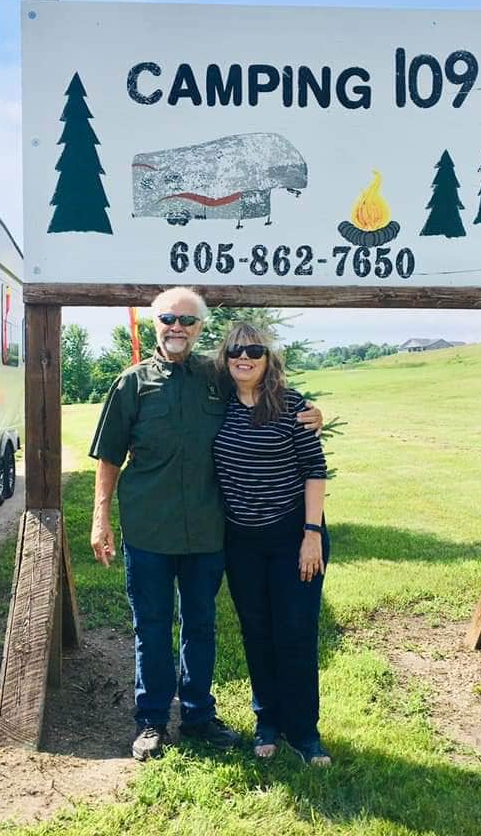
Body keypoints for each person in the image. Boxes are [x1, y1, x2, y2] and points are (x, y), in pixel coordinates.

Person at [89, 287, 321, 761]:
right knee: (151, 626)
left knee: (200, 626)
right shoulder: (132, 384)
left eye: (188, 321)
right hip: (149, 531)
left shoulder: (214, 377)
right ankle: (152, 720)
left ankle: (197, 716)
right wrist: (101, 518)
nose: (177, 328)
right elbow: (109, 456)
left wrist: (312, 414)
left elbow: (260, 385)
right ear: (157, 324)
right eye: (169, 319)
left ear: (199, 329)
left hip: (209, 533)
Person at [213, 321, 331, 766]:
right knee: (257, 633)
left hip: (293, 537)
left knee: (296, 635)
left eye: (254, 350)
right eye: (236, 351)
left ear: (268, 358)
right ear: (225, 359)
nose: (244, 357)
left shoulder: (292, 406)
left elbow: (314, 471)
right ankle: (267, 721)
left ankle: (304, 732)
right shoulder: (217, 405)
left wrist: (312, 535)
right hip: (241, 540)